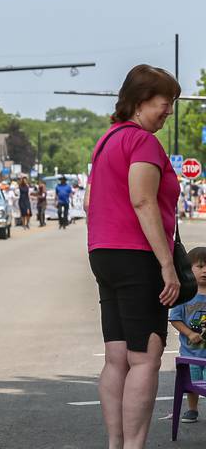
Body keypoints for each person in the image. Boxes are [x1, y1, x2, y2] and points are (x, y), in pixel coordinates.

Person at [85, 64, 181, 449]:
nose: (169, 112)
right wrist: (167, 265)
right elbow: (143, 201)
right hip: (137, 255)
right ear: (141, 101)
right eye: (165, 103)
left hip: (103, 252)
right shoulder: (142, 143)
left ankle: (116, 443)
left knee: (117, 356)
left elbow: (91, 200)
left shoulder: (108, 138)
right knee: (146, 358)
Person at [169, 246, 206, 423]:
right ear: (189, 269)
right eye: (199, 266)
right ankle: (192, 409)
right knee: (192, 383)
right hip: (191, 353)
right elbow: (175, 318)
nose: (204, 271)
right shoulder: (186, 295)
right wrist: (189, 333)